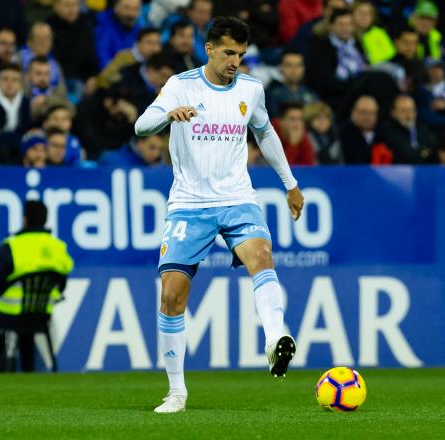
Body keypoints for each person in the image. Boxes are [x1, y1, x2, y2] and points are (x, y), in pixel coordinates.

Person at [134, 16, 304, 413]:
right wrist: (168, 112)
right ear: (208, 48)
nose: (235, 62)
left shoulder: (251, 88)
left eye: (241, 55)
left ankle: (274, 338)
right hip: (189, 203)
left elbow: (264, 133)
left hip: (237, 197)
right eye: (228, 52)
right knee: (172, 296)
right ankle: (176, 392)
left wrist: (289, 183)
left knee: (261, 257)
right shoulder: (181, 84)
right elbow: (142, 126)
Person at [0, 200, 73, 372]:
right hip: (41, 315)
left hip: (8, 313)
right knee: (27, 329)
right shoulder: (58, 248)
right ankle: (26, 369)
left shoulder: (13, 246)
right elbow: (62, 284)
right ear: (45, 219)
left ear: (25, 219)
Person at [96, 28, 162, 90]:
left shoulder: (160, 63)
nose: (154, 48)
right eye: (149, 43)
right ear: (138, 43)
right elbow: (104, 78)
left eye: (157, 43)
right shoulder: (124, 57)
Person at [381, 94, 435, 164]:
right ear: (393, 113)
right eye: (403, 111)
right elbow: (402, 152)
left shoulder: (423, 128)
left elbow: (432, 146)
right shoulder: (387, 130)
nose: (408, 115)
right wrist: (422, 152)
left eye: (411, 110)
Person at [266, 50, 318, 117]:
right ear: (281, 68)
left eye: (298, 65)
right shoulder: (270, 95)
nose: (294, 70)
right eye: (289, 65)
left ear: (304, 68)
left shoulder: (312, 95)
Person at [94, 0, 142, 69]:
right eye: (126, 8)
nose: (131, 14)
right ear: (116, 7)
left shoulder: (140, 29)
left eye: (136, 9)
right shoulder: (102, 23)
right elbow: (101, 57)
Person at [339, 94, 382, 163]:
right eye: (363, 112)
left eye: (372, 113)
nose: (367, 117)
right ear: (353, 112)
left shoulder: (382, 134)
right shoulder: (342, 133)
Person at [99, 131, 167, 166]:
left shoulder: (162, 169)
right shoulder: (111, 160)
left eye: (160, 149)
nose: (156, 154)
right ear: (140, 143)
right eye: (152, 147)